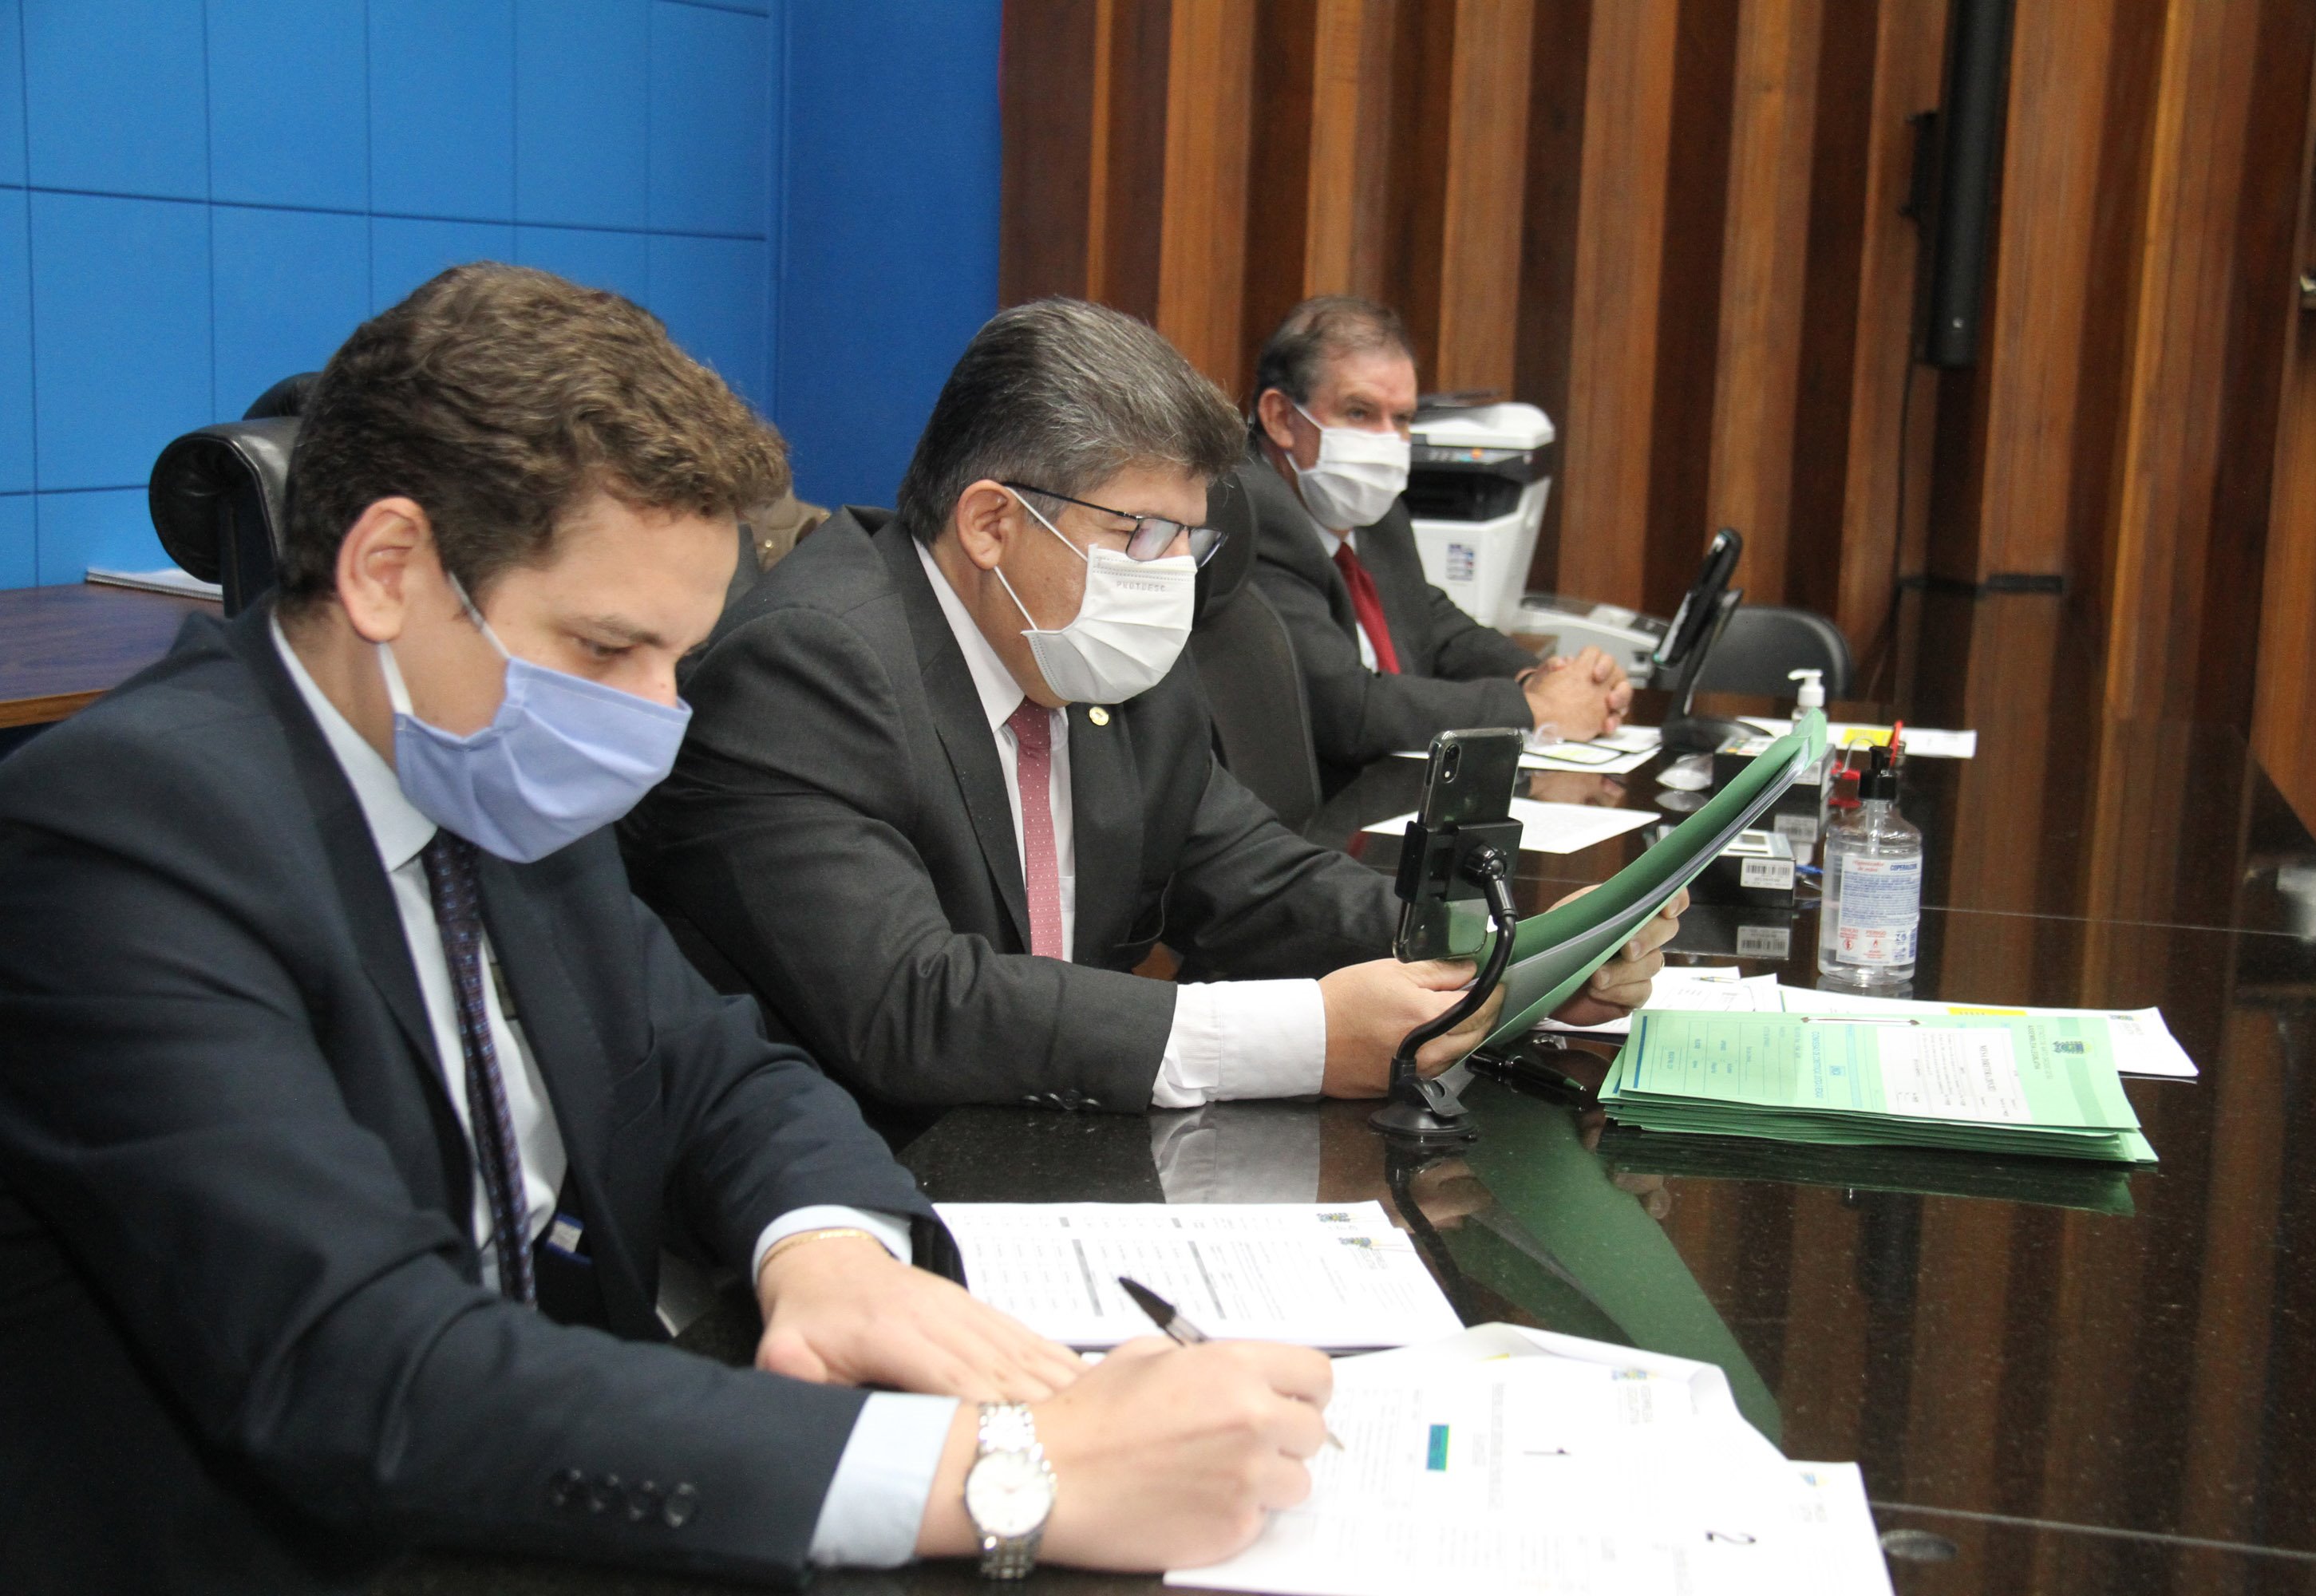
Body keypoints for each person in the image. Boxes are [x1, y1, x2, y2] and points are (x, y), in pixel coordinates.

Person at [0, 267, 1334, 1592]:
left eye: (674, 658)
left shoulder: (481, 752)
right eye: (605, 649)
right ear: (389, 572)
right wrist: (998, 1471)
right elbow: (365, 1366)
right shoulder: (120, 840)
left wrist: (827, 1248)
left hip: (569, 1464)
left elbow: (720, 1069)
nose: (652, 718)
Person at [621, 298, 1680, 1120]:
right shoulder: (814, 665)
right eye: (1139, 534)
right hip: (876, 1186)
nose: (1170, 575)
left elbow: (1258, 882)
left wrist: (1522, 960)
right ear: (991, 523)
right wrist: (1305, 1034)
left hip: (1059, 1141)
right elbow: (914, 1004)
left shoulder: (1093, 652)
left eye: (1186, 538)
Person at [1239, 295, 1634, 798]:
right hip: (1310, 815)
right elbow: (1348, 710)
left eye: (1402, 418)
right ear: (1279, 417)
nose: (1388, 442)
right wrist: (1539, 710)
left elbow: (1431, 624)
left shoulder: (1375, 511)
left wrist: (1539, 677)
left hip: (1396, 796)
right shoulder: (1252, 519)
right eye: (1359, 412)